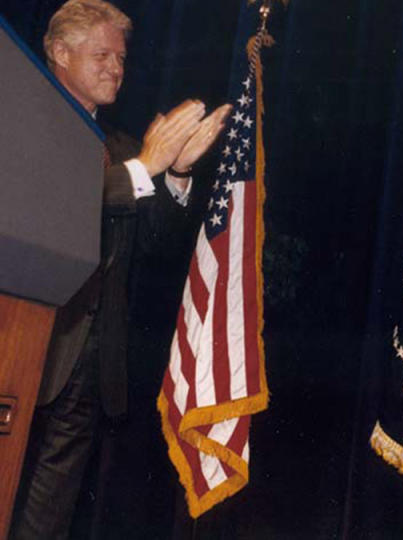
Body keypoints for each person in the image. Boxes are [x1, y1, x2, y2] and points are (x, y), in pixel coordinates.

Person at [10, 1, 230, 538]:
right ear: (59, 53)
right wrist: (144, 170)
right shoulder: (18, 120)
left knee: (48, 517)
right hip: (18, 350)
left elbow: (154, 246)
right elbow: (51, 203)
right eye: (102, 55)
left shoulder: (125, 148)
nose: (116, 68)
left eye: (122, 59)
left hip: (87, 364)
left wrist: (176, 172)